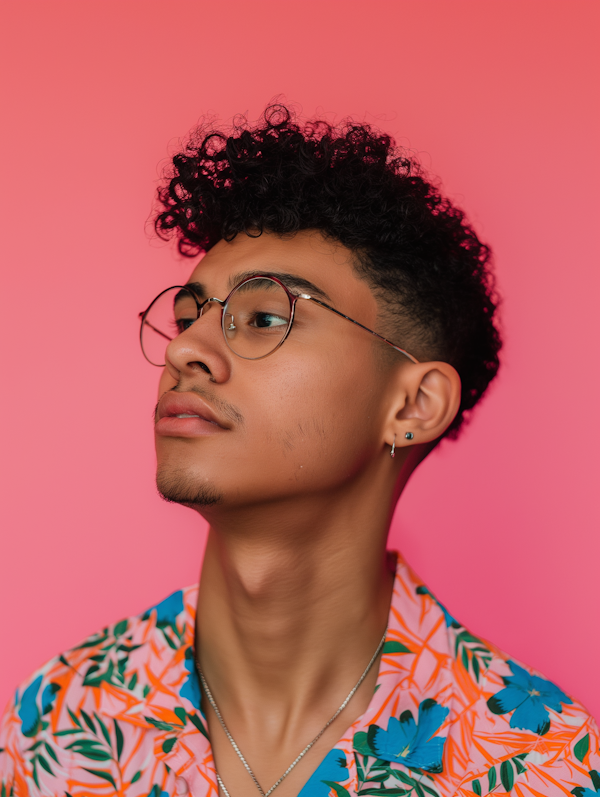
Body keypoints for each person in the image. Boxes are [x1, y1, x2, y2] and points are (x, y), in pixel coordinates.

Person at [1, 104, 597, 797]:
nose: (187, 349)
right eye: (188, 316)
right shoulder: (52, 728)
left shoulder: (537, 766)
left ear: (411, 404)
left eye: (263, 317)